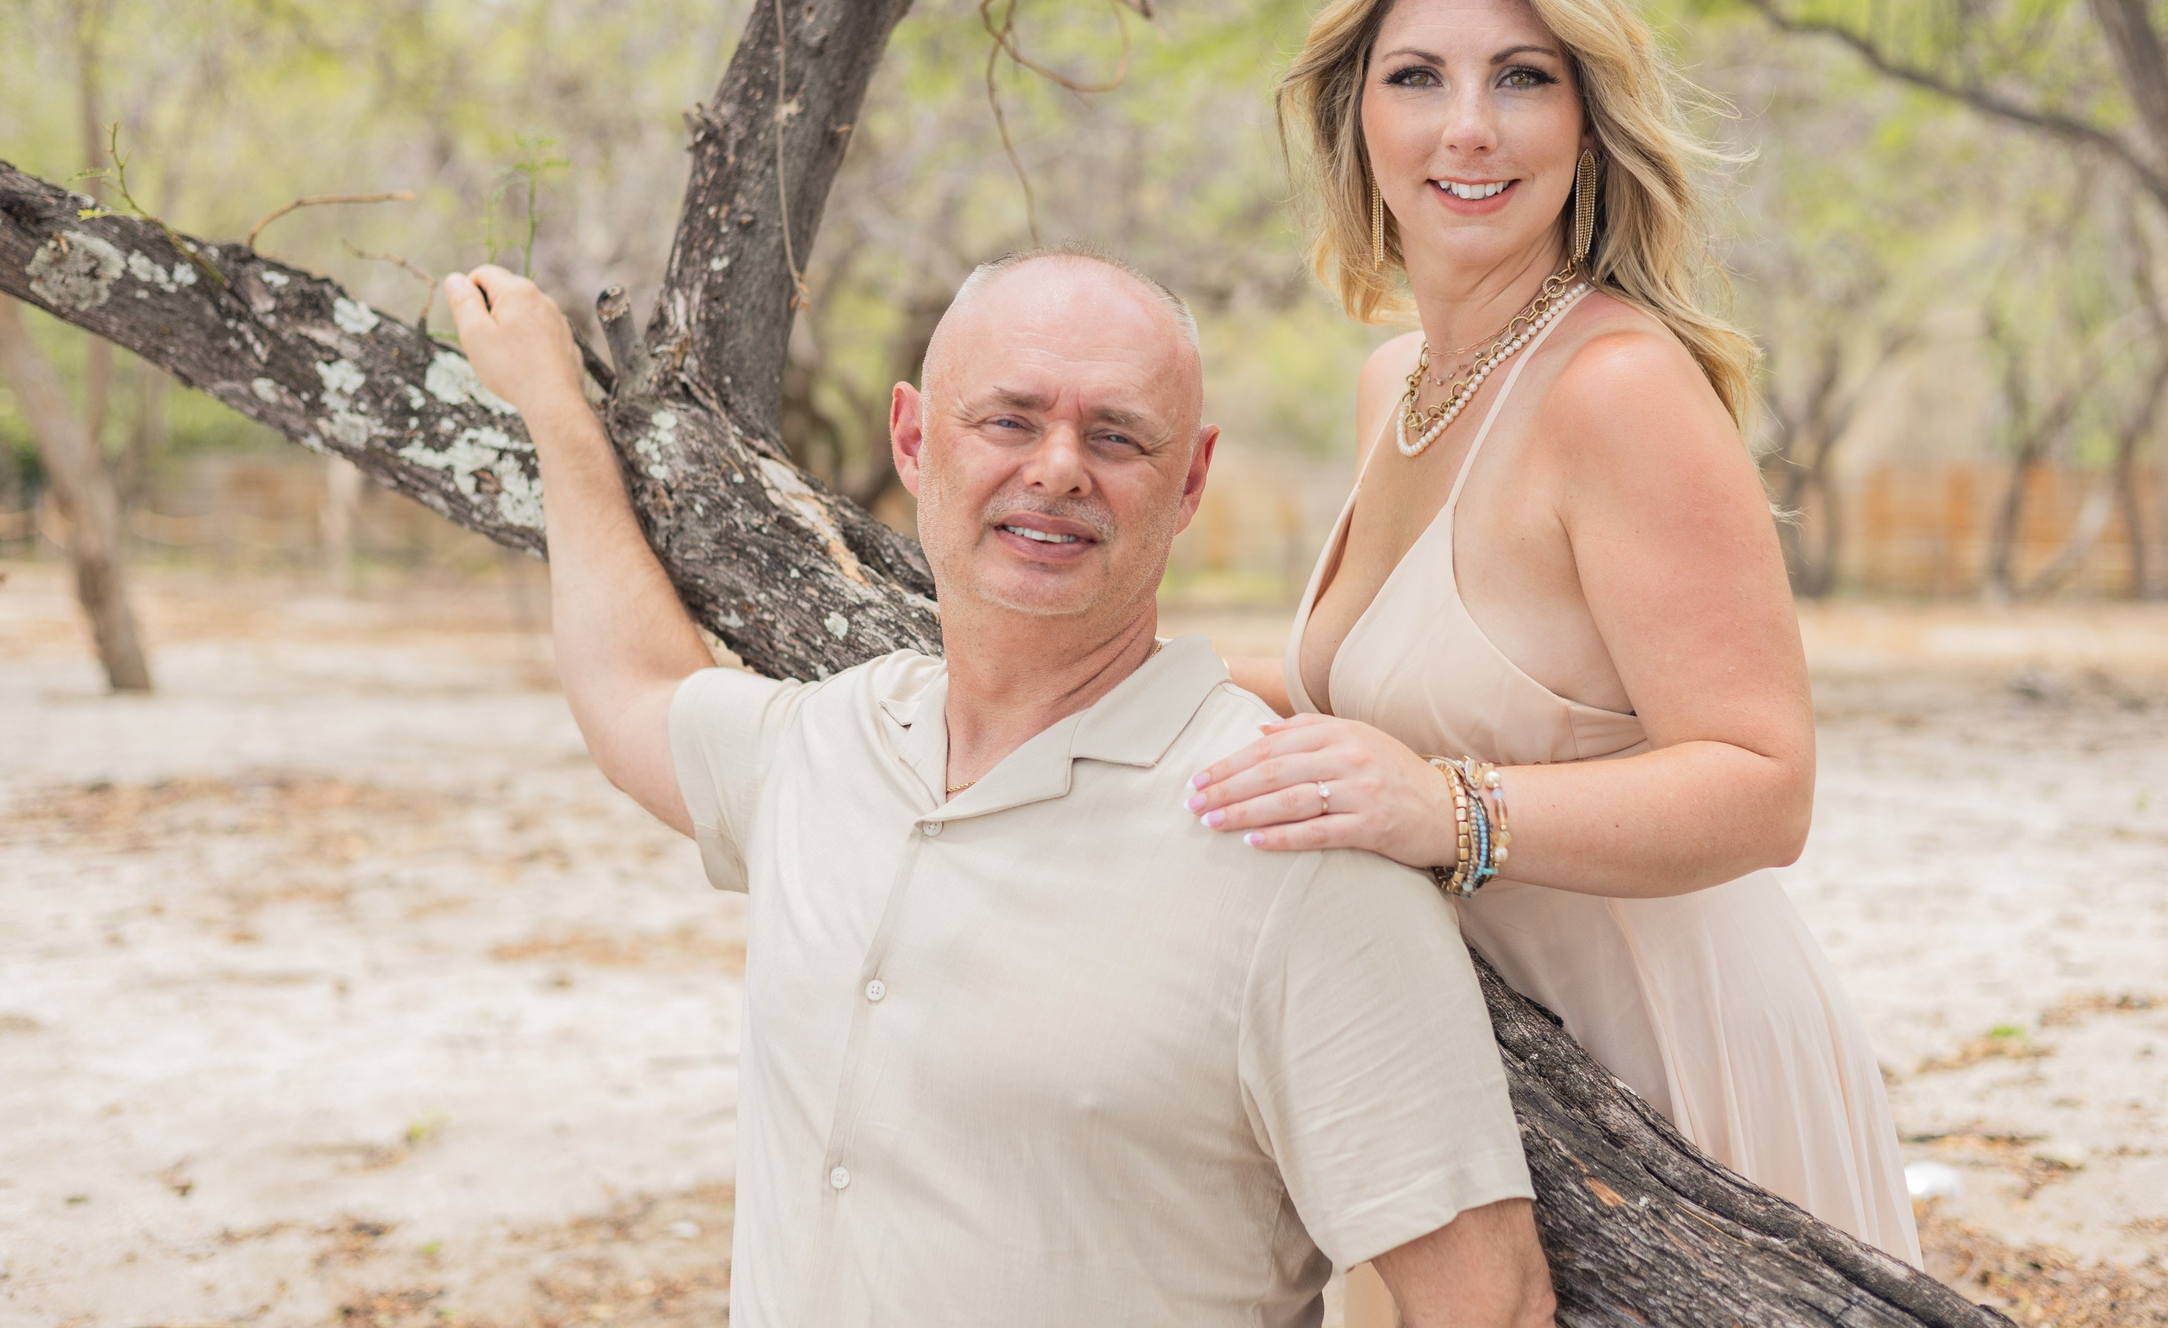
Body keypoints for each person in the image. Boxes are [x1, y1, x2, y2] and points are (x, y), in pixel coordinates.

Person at [441, 251, 1556, 1328]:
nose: (1059, 468)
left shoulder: (1294, 842)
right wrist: (554, 408)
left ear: (1191, 481)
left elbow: (1486, 1302)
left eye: (1116, 435)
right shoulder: (831, 746)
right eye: (1009, 420)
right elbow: (635, 690)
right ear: (915, 439)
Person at [1191, 0, 1922, 1264]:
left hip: (1676, 1072)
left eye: (1521, 78)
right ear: (1360, 117)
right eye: (1419, 78)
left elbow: (1767, 784)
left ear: (1586, 120)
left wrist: (1447, 809)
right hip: (1481, 1085)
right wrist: (1123, 674)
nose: (1467, 125)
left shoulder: (1618, 387)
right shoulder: (1392, 385)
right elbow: (1373, 685)